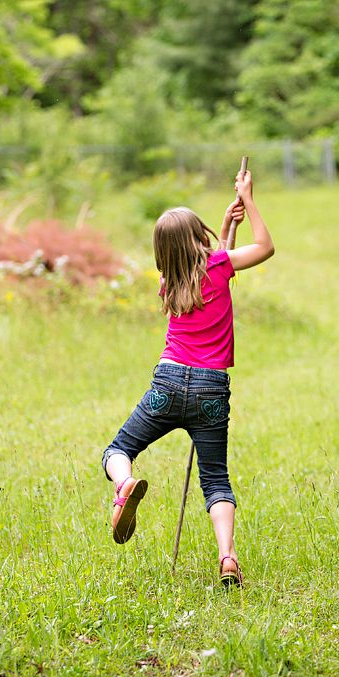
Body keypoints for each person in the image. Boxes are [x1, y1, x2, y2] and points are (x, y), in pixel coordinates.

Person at [101, 168, 274, 586]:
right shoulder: (218, 265)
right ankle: (227, 557)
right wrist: (247, 200)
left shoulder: (167, 282)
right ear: (200, 238)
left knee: (118, 449)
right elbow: (265, 248)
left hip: (168, 382)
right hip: (211, 389)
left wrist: (227, 224)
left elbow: (211, 270)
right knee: (215, 479)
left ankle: (123, 485)